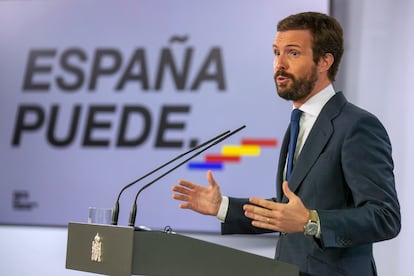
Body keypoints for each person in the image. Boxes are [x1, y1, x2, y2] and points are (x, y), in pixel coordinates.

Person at [172, 11, 401, 276]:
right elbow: (286, 211)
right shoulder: (299, 123)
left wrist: (312, 222)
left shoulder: (356, 126)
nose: (279, 64)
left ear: (325, 61)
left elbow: (385, 217)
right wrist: (222, 207)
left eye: (292, 53)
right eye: (276, 52)